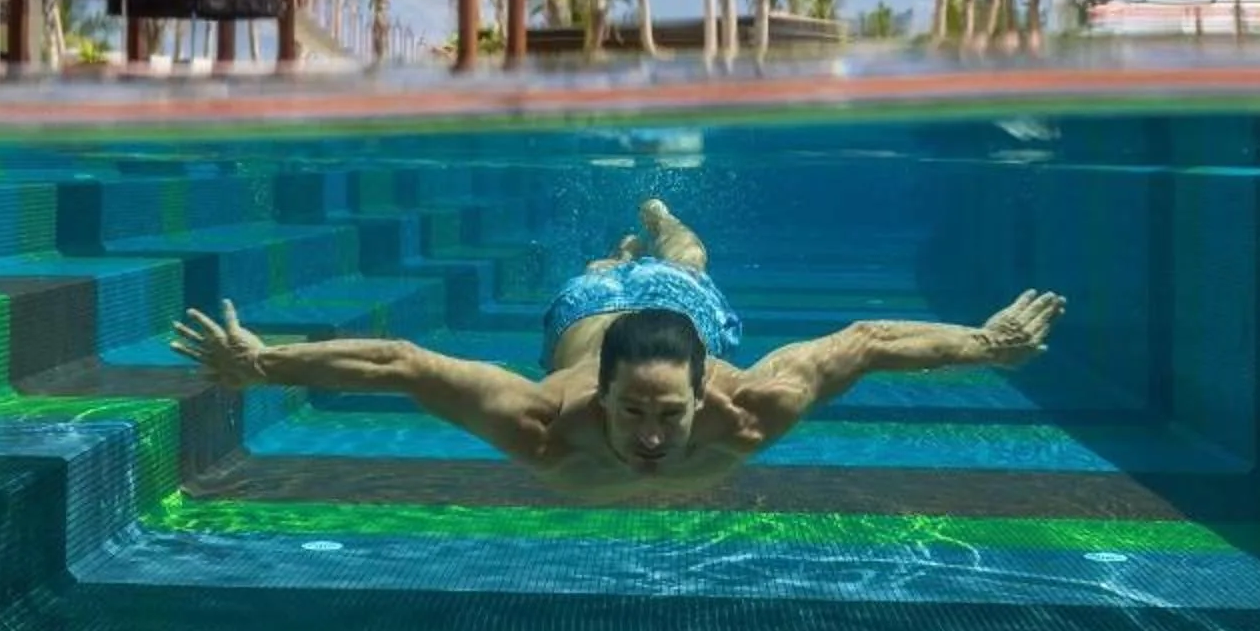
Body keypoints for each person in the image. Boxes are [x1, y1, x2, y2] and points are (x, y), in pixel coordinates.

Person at [167, 196, 1066, 501]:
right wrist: (266, 363)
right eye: (632, 409)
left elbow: (866, 340)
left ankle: (660, 226)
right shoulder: (541, 424)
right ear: (597, 394)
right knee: (602, 275)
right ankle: (615, 261)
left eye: (667, 412)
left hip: (679, 308)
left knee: (690, 260)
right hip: (589, 313)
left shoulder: (751, 407)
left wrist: (987, 344)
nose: (648, 434)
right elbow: (400, 364)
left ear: (704, 390)